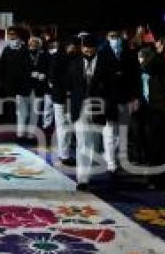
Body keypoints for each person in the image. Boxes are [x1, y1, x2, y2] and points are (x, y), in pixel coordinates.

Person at [65, 35, 119, 189]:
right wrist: (68, 108)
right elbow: (68, 86)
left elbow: (111, 89)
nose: (88, 51)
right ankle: (83, 178)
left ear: (96, 48)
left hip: (99, 108)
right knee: (82, 142)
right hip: (80, 108)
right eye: (85, 48)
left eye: (91, 49)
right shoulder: (74, 63)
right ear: (81, 48)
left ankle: (91, 169)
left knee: (94, 143)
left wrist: (109, 109)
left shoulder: (106, 64)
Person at [130, 46, 165, 190]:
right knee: (151, 148)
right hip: (150, 113)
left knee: (164, 148)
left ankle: (163, 180)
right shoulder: (147, 69)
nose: (141, 60)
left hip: (164, 114)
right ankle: (154, 178)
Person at [99, 29, 139, 172]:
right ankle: (111, 161)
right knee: (110, 129)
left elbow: (135, 76)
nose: (115, 39)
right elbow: (99, 77)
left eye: (116, 36)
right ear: (107, 37)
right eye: (112, 36)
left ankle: (115, 157)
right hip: (109, 98)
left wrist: (135, 96)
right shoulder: (102, 54)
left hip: (125, 97)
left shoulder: (129, 53)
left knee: (122, 130)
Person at [0, 27, 31, 141]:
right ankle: (12, 128)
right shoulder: (6, 49)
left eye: (13, 34)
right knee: (10, 105)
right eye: (10, 34)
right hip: (9, 83)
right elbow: (1, 66)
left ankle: (20, 131)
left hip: (21, 83)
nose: (12, 36)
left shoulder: (25, 49)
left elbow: (28, 67)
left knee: (21, 108)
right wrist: (1, 80)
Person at [50, 37, 79, 166]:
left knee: (69, 126)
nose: (73, 48)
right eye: (71, 45)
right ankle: (64, 154)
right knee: (63, 126)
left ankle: (65, 153)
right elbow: (53, 78)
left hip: (72, 98)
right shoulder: (57, 58)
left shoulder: (76, 58)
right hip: (61, 98)